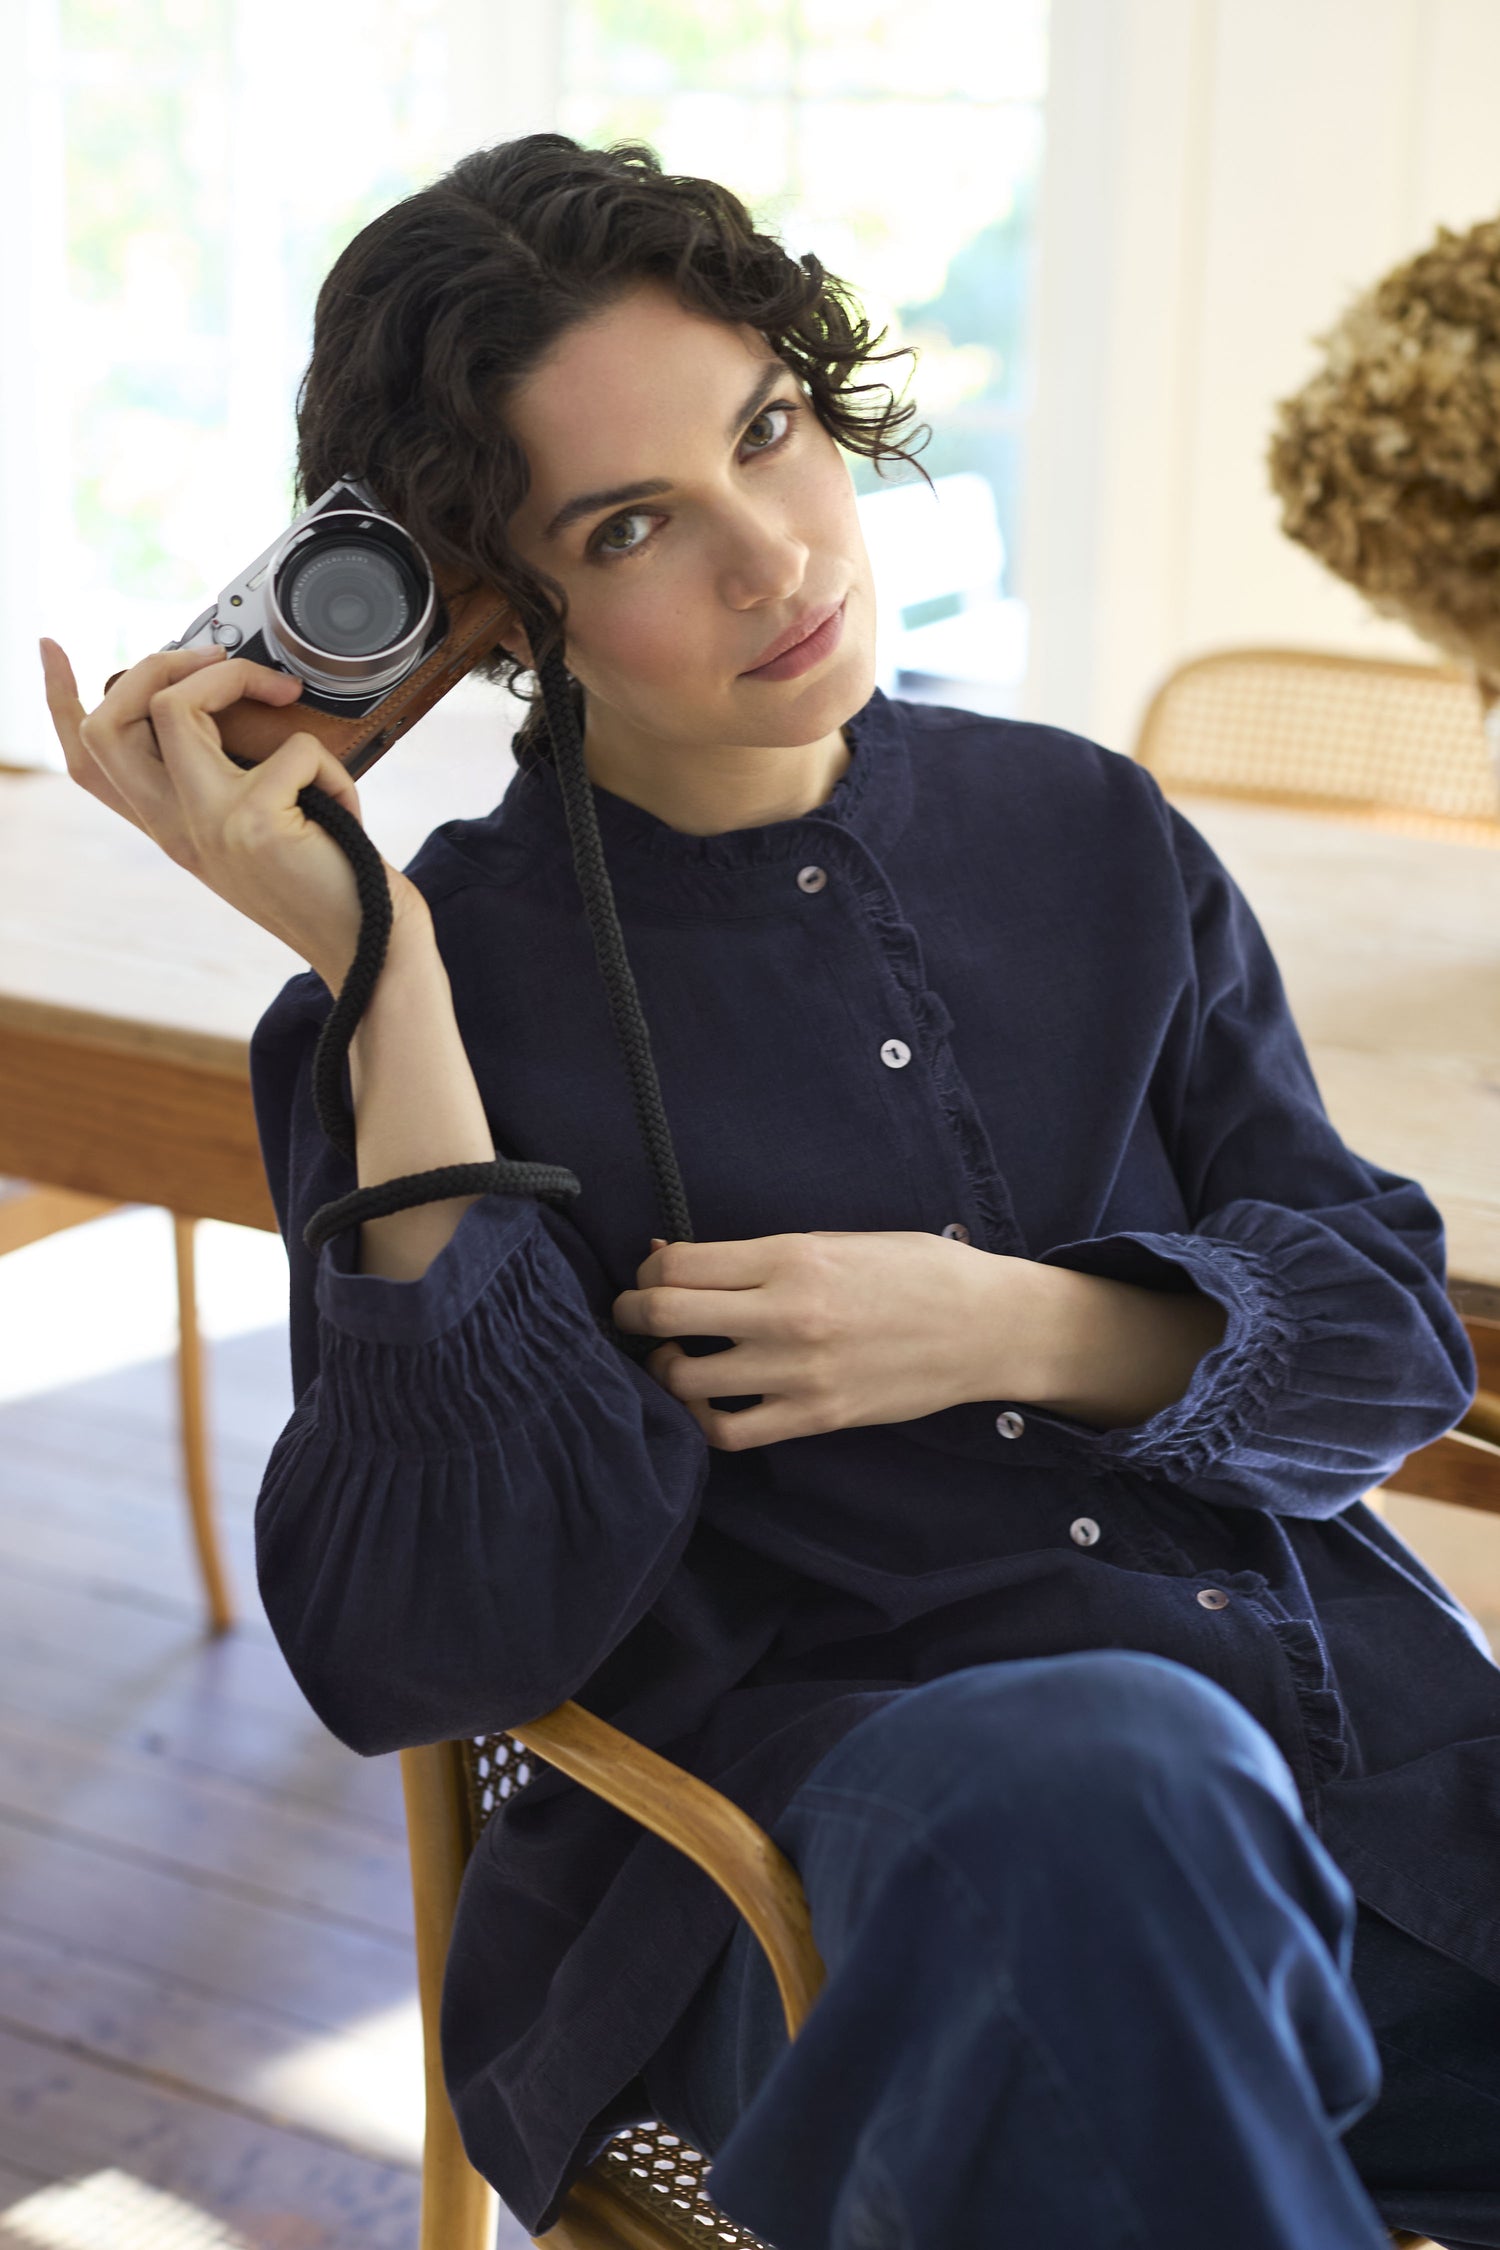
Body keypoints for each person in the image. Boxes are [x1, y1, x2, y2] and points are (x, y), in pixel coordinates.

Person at [40, 134, 1500, 2250]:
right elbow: (425, 1635)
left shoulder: (1088, 831)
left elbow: (1384, 1344)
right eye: (631, 522)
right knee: (1098, 1782)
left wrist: (1012, 1319)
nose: (774, 555)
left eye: (770, 433)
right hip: (839, 1893)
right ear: (494, 598)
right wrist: (389, 975)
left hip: (1373, 1826)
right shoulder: (427, 994)